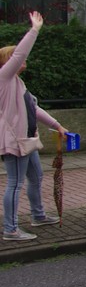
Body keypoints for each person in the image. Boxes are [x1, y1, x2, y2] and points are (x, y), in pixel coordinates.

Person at [1, 12, 68, 240]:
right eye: (13, 57)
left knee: (36, 176)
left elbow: (34, 109)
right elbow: (21, 53)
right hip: (16, 141)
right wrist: (34, 29)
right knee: (15, 183)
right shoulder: (4, 78)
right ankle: (10, 229)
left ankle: (38, 215)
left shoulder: (18, 83)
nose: (21, 59)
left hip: (28, 140)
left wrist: (57, 125)